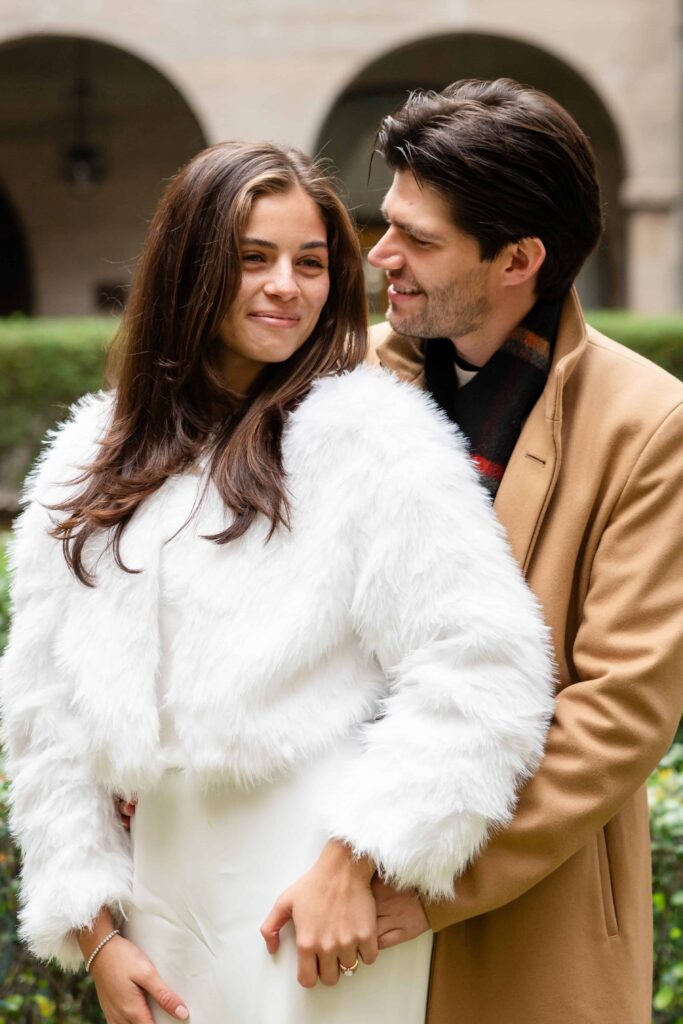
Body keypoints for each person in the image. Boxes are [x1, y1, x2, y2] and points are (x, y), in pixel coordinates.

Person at [0, 141, 554, 1024]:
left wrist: (360, 855)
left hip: (315, 894)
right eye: (252, 258)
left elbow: (487, 663)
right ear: (189, 266)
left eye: (310, 262)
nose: (285, 287)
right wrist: (94, 930)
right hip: (157, 901)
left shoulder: (371, 437)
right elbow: (43, 719)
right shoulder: (86, 462)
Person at [362, 78, 683, 1024]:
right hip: (320, 884)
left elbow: (620, 710)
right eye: (388, 224)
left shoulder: (649, 424)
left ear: (518, 260)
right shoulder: (338, 378)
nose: (380, 254)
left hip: (527, 911)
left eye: (417, 239)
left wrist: (429, 882)